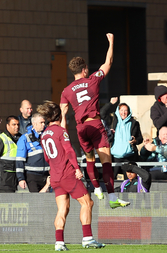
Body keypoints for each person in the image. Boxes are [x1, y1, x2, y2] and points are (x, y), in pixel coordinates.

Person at [60, 33, 129, 208]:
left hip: (81, 128)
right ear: (84, 70)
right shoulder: (92, 80)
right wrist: (111, 42)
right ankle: (113, 199)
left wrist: (64, 135)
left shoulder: (66, 91)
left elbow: (63, 111)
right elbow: (108, 63)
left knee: (90, 159)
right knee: (106, 161)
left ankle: (96, 188)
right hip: (95, 124)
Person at [37, 101, 105, 251]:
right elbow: (69, 151)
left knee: (63, 209)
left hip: (55, 176)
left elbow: (47, 158)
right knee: (87, 203)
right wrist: (76, 168)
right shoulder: (61, 132)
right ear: (59, 115)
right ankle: (87, 238)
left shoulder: (44, 134)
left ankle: (59, 242)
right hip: (67, 174)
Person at [101, 99, 143, 178]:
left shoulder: (134, 123)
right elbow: (102, 114)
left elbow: (140, 138)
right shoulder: (113, 120)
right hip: (115, 157)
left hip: (129, 156)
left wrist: (135, 141)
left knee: (129, 179)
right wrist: (110, 103)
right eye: (121, 110)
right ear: (118, 111)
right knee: (112, 178)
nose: (123, 113)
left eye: (126, 110)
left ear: (129, 111)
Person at [16, 113, 50, 192]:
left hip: (46, 174)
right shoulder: (24, 138)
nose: (43, 124)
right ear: (34, 124)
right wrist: (21, 178)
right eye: (41, 122)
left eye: (44, 122)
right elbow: (20, 159)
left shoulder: (47, 136)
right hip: (32, 175)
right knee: (35, 200)